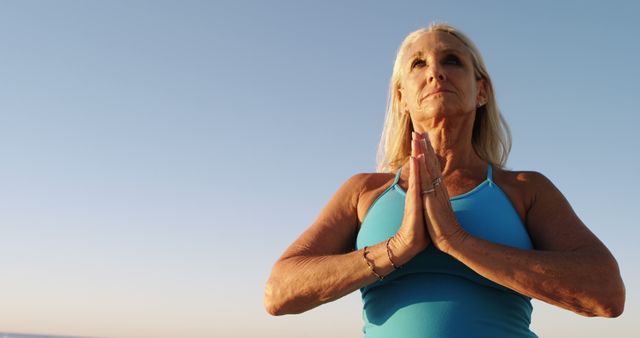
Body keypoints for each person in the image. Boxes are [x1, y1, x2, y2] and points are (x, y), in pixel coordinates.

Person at [264, 23, 625, 337]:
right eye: (418, 64)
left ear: (481, 90)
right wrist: (398, 248)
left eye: (452, 60)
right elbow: (279, 292)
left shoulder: (525, 189)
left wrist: (457, 241)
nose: (435, 72)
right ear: (402, 97)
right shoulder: (364, 191)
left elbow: (606, 292)